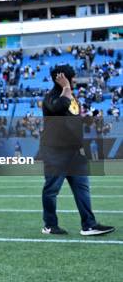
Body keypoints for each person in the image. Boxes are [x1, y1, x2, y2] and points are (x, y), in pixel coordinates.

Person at [40, 64, 114, 236]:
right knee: (51, 190)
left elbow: (73, 120)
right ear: (63, 78)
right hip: (55, 151)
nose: (74, 81)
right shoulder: (50, 97)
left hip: (74, 151)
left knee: (82, 187)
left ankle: (89, 225)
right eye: (71, 78)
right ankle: (50, 225)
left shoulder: (72, 98)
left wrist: (89, 120)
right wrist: (65, 87)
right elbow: (58, 107)